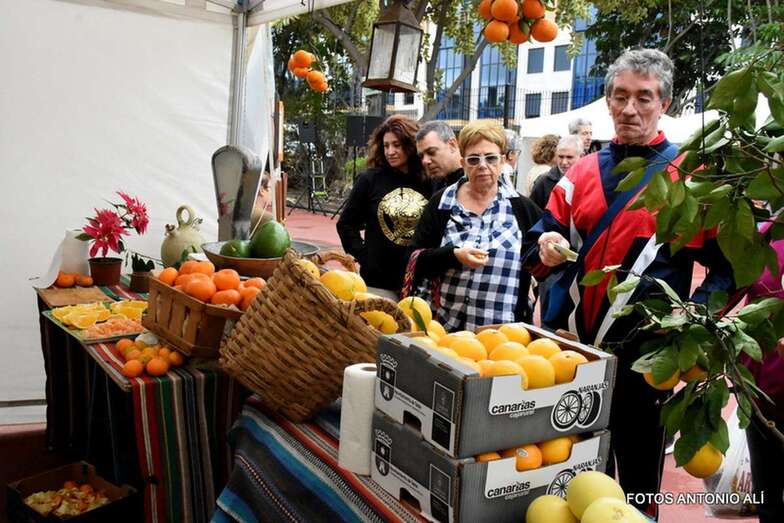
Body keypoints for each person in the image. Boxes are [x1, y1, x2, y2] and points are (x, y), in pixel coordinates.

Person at [522, 49, 736, 520]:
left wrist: (691, 322)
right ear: (607, 101)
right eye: (620, 96)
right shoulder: (579, 172)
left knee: (638, 488)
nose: (629, 109)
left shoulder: (691, 176)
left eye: (643, 97)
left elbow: (728, 270)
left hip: (647, 360)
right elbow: (537, 243)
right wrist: (545, 244)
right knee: (568, 477)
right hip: (572, 353)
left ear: (664, 102)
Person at [408, 121, 542, 331]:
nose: (482, 165)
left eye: (490, 158)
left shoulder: (522, 209)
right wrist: (453, 256)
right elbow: (416, 259)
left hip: (503, 338)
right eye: (473, 159)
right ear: (462, 162)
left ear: (503, 160)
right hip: (444, 329)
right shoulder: (442, 204)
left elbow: (541, 261)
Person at [337, 115, 430, 293]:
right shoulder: (370, 179)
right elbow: (346, 224)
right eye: (386, 146)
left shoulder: (429, 180)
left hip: (417, 282)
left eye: (396, 145)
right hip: (377, 282)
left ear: (411, 145)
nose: (390, 152)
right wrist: (365, 257)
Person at [529, 135, 582, 211]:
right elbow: (533, 214)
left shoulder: (589, 181)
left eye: (569, 157)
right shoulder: (544, 181)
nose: (564, 162)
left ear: (581, 156)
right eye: (560, 157)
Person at [415, 120, 463, 192]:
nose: (425, 161)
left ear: (452, 145)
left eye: (431, 152)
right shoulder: (436, 182)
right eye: (421, 156)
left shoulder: (475, 180)